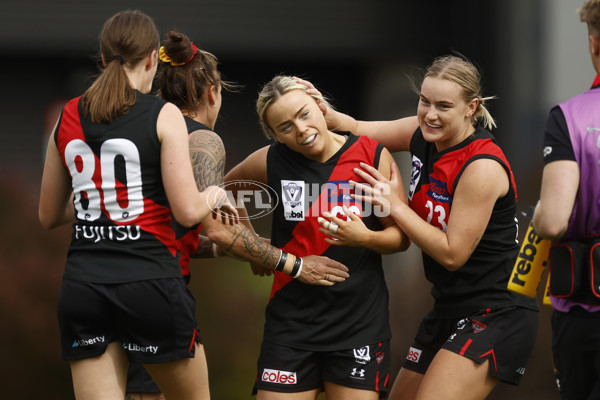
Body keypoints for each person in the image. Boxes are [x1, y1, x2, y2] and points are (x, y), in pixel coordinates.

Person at [298, 54, 540, 400]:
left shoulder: (481, 167)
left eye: (444, 106)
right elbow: (359, 130)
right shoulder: (422, 133)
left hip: (496, 311)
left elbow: (452, 254)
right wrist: (327, 114)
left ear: (471, 107)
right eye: (424, 101)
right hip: (448, 308)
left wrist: (395, 205)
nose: (429, 114)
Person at [125, 32, 351, 399]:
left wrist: (238, 245)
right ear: (211, 92)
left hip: (101, 284)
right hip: (156, 292)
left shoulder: (134, 133)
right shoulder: (199, 139)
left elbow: (163, 229)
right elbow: (220, 231)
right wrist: (293, 264)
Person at [37, 10, 238, 400]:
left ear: (102, 59)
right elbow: (187, 211)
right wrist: (214, 194)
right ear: (152, 60)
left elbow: (49, 215)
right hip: (150, 282)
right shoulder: (162, 114)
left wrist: (103, 202)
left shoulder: (68, 114)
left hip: (83, 287)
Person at [224, 75, 410, 400]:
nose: (301, 129)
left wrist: (363, 237)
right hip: (290, 326)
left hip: (359, 326)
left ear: (320, 107)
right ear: (274, 135)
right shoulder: (271, 160)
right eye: (285, 126)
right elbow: (224, 192)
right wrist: (255, 248)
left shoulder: (370, 154)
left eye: (304, 114)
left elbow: (401, 239)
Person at [531, 1, 600, 398]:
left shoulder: (569, 117)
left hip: (582, 315)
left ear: (593, 44)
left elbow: (553, 221)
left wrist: (539, 214)